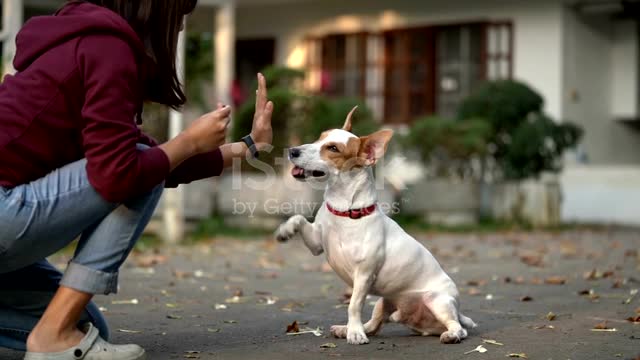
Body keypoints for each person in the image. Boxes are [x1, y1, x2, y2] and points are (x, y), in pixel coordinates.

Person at [0, 1, 274, 359]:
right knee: (138, 168)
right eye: (179, 14)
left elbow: (151, 160)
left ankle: (54, 332)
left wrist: (250, 148)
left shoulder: (87, 40)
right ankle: (50, 336)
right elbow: (122, 174)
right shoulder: (107, 46)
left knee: (84, 328)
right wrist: (187, 141)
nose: (177, 29)